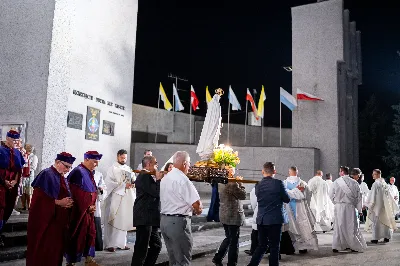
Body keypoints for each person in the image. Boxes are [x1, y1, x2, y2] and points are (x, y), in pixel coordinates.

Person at [26, 152, 76, 266]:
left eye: (70, 167)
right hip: (47, 224)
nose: (68, 170)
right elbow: (38, 201)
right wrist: (59, 202)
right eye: (66, 166)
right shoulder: (46, 174)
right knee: (44, 253)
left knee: (55, 254)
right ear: (58, 162)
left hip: (58, 224)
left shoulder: (61, 176)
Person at [160, 151, 203, 266]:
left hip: (165, 221)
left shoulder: (165, 178)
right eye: (189, 164)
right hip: (178, 223)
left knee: (173, 259)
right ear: (184, 163)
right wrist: (198, 210)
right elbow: (197, 205)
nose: (189, 167)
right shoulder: (183, 180)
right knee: (183, 259)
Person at [247, 162, 290, 266]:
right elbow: (287, 199)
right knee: (274, 246)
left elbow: (258, 198)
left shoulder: (258, 185)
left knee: (262, 245)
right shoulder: (279, 183)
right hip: (275, 220)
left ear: (263, 171)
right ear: (274, 171)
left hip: (261, 219)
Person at [65, 151, 102, 266]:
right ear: (86, 159)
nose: (96, 164)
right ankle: (71, 262)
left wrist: (92, 205)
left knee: (90, 234)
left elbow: (92, 191)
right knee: (77, 234)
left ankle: (89, 259)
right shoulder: (78, 172)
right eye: (94, 161)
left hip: (88, 212)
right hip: (79, 212)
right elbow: (75, 193)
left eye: (97, 162)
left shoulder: (89, 172)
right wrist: (87, 206)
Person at [131, 155, 163, 266]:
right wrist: (158, 180)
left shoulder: (147, 176)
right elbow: (156, 192)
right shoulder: (144, 176)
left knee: (156, 245)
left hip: (150, 218)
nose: (157, 165)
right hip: (144, 216)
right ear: (149, 164)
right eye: (155, 163)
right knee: (141, 248)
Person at [212, 168, 246, 266]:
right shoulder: (232, 183)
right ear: (230, 172)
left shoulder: (220, 182)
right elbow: (243, 195)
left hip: (224, 214)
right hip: (233, 216)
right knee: (234, 241)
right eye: (232, 168)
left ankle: (218, 257)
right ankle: (232, 263)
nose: (234, 170)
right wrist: (240, 183)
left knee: (229, 238)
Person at [104, 149, 136, 252]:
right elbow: (108, 183)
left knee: (124, 219)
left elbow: (133, 179)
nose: (124, 159)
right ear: (118, 156)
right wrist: (122, 185)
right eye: (122, 158)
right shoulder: (112, 168)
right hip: (116, 197)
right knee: (114, 220)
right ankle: (110, 244)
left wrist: (133, 182)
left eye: (125, 158)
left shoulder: (128, 168)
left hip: (126, 197)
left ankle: (122, 243)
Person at [329, 166, 367, 253]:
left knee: (339, 226)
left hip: (339, 206)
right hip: (350, 207)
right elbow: (359, 197)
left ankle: (337, 245)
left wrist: (336, 203)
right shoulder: (354, 183)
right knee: (351, 226)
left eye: (340, 171)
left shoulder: (336, 182)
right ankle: (352, 245)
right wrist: (359, 209)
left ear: (342, 172)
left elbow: (330, 195)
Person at [284, 166, 318, 253]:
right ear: (297, 172)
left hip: (291, 206)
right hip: (299, 207)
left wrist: (290, 193)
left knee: (294, 227)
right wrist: (296, 191)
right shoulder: (302, 183)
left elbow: (285, 194)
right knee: (300, 227)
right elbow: (306, 195)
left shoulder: (285, 183)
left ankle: (292, 247)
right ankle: (302, 247)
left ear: (289, 172)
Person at [0, 130, 25, 246]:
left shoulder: (17, 153)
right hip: (1, 183)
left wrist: (15, 181)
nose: (15, 142)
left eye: (17, 140)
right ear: (7, 138)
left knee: (8, 207)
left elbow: (18, 170)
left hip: (11, 185)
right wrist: (4, 181)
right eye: (13, 140)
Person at [365, 169, 399, 244]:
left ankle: (375, 238)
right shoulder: (385, 184)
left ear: (377, 174)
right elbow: (390, 196)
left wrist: (369, 204)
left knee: (377, 222)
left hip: (377, 206)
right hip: (385, 207)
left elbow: (372, 196)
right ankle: (387, 237)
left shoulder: (376, 184)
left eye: (374, 174)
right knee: (386, 221)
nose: (372, 175)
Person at [21, 144, 38, 210]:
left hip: (30, 175)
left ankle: (29, 206)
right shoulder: (23, 156)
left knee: (29, 191)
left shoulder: (34, 157)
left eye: (28, 148)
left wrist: (26, 167)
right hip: (23, 175)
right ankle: (23, 206)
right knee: (22, 190)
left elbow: (34, 167)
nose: (27, 149)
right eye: (26, 148)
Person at [93, 170, 107, 251]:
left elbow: (103, 187)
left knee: (96, 223)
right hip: (86, 202)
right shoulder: (80, 172)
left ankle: (97, 246)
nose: (95, 164)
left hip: (95, 202)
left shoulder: (99, 174)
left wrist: (101, 190)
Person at [244, 185, 258, 256]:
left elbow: (254, 203)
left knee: (255, 234)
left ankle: (254, 250)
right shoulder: (274, 186)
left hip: (259, 214)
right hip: (271, 216)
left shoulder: (255, 189)